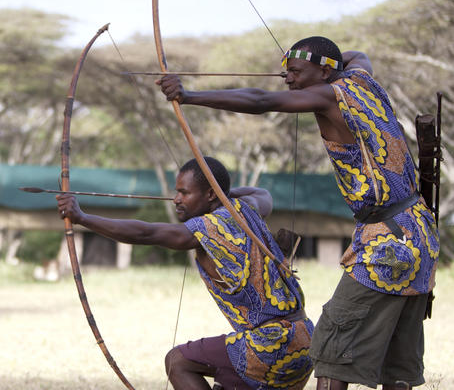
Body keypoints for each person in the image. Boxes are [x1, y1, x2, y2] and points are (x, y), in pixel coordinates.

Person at [156, 36, 439, 390]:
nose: (286, 79)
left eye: (293, 72)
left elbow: (261, 101)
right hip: (419, 235)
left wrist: (189, 96)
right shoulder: (361, 79)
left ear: (324, 71)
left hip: (386, 243)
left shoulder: (328, 94)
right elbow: (356, 55)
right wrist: (307, 61)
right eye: (285, 71)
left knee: (331, 344)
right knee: (397, 357)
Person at [57, 157, 314, 390]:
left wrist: (81, 218)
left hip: (271, 346)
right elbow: (263, 193)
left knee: (177, 361)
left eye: (184, 192)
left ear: (211, 194)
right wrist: (221, 195)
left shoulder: (208, 228)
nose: (176, 199)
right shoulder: (244, 208)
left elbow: (145, 233)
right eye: (176, 192)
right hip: (304, 341)